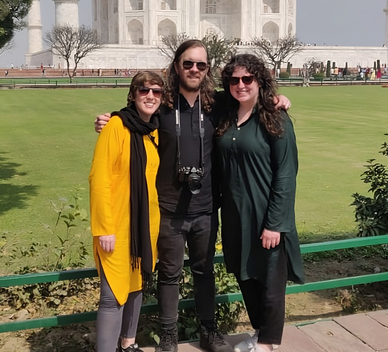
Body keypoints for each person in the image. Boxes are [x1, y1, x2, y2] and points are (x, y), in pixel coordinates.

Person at [95, 41, 291, 352]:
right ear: (177, 66)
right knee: (169, 274)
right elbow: (136, 117)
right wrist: (110, 119)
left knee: (204, 271)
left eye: (201, 65)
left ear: (208, 69)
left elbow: (250, 96)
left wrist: (278, 98)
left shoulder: (217, 103)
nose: (194, 70)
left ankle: (209, 331)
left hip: (205, 207)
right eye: (188, 64)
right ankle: (169, 333)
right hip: (170, 207)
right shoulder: (163, 105)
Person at [213, 54, 304, 352]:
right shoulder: (226, 114)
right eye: (234, 80)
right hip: (236, 212)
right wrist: (119, 116)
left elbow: (286, 174)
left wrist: (275, 223)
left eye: (247, 79)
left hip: (267, 212)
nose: (240, 85)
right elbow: (185, 99)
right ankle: (260, 330)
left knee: (269, 279)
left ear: (259, 81)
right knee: (245, 274)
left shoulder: (275, 118)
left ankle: (267, 342)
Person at [89, 71, 165, 352]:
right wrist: (103, 227)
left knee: (136, 286)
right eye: (144, 90)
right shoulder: (116, 127)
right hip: (116, 227)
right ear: (133, 94)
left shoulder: (153, 130)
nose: (150, 96)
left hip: (144, 227)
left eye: (156, 92)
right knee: (112, 297)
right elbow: (99, 179)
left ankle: (128, 344)